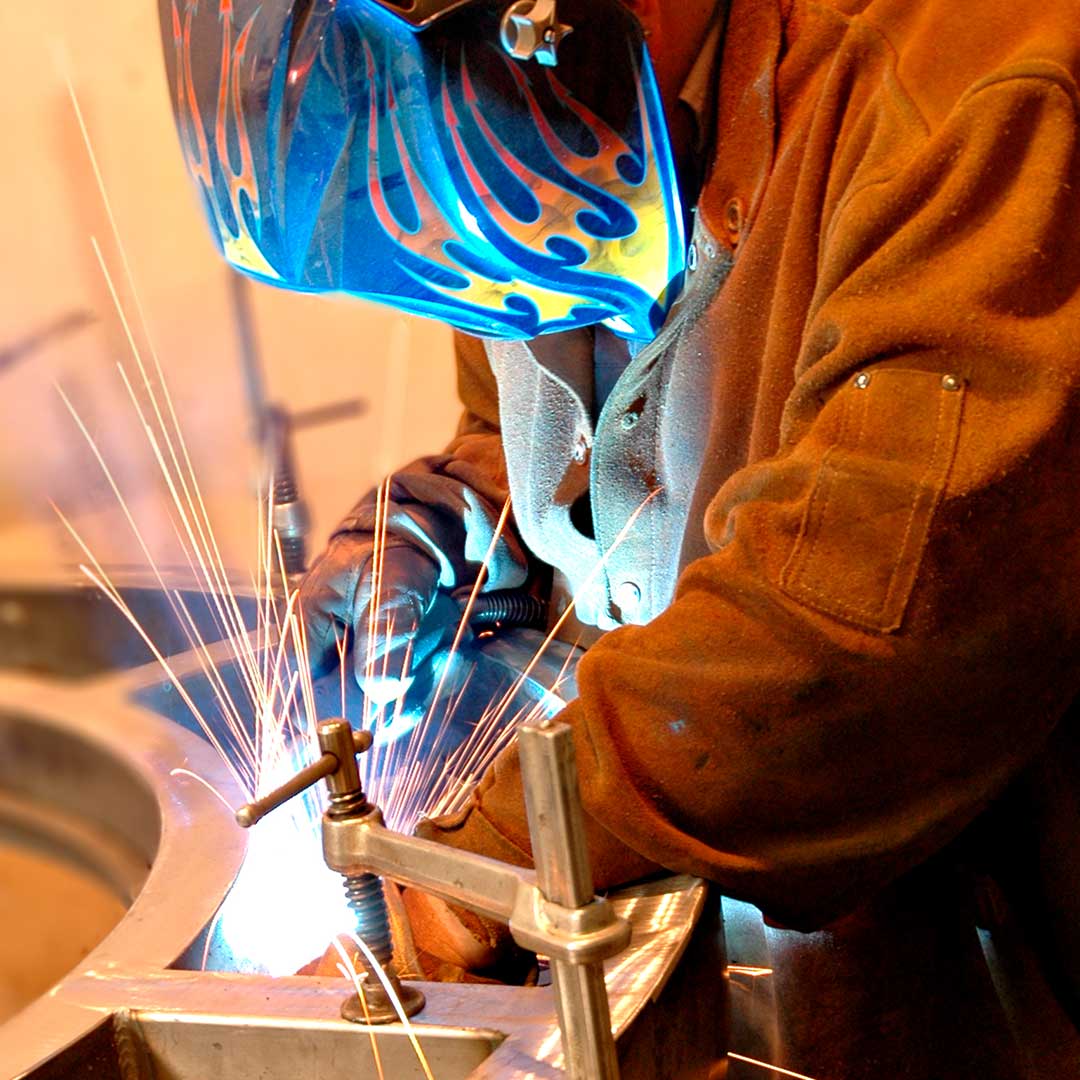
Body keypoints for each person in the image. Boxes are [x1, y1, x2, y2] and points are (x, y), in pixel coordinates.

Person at [162, 0, 1080, 1075]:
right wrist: (452, 528)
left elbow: (871, 633)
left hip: (994, 973)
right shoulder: (530, 129)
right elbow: (586, 439)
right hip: (747, 957)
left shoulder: (970, 86)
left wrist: (469, 884)